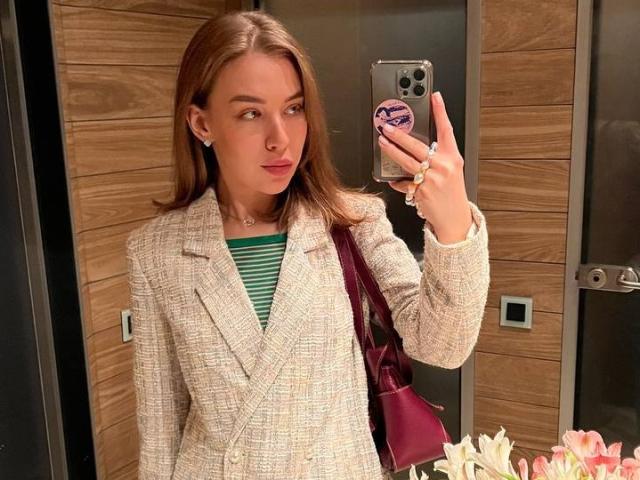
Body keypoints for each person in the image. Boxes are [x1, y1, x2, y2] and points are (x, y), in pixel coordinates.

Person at [126, 10, 490, 480]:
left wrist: (453, 221)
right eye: (251, 113)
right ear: (201, 123)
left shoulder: (350, 222)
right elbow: (160, 428)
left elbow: (443, 345)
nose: (280, 139)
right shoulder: (157, 251)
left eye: (294, 108)